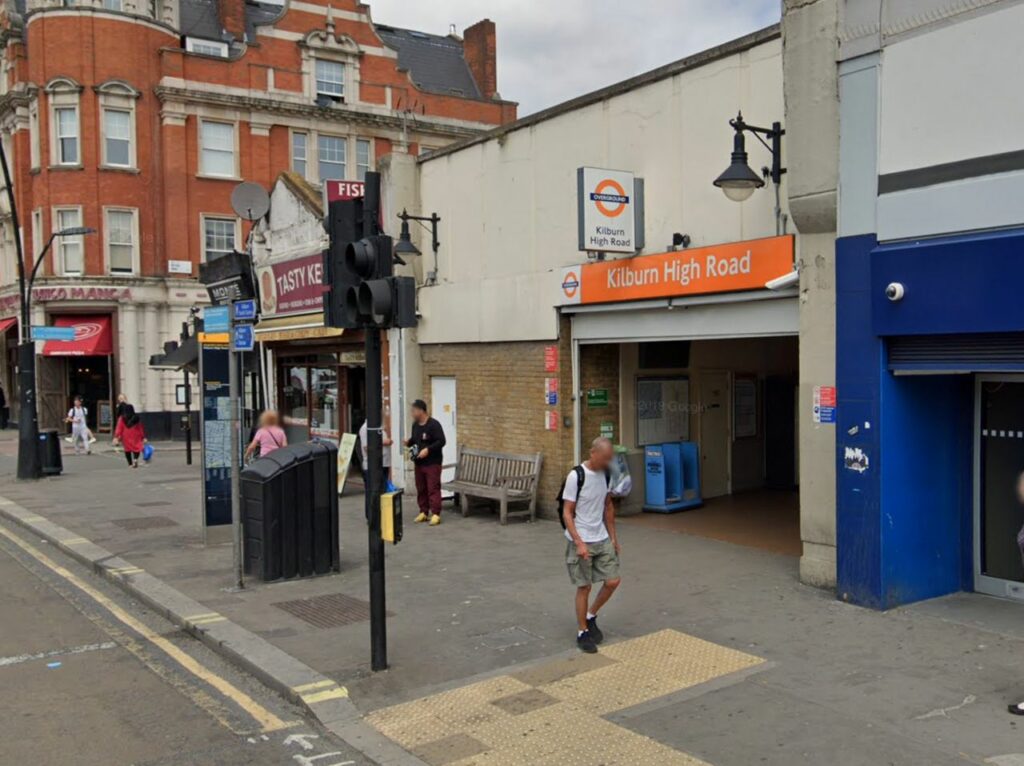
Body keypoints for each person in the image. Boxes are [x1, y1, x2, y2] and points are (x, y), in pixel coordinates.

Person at [561, 437, 621, 654]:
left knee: (613, 581)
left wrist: (613, 537)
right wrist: (578, 542)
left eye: (609, 459)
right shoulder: (576, 476)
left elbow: (608, 507)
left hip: (601, 536)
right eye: (605, 458)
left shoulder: (606, 474)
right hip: (582, 537)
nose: (607, 462)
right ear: (593, 453)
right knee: (584, 586)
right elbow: (567, 512)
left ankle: (591, 614)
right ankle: (582, 631)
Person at [403, 399, 446, 526]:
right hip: (419, 462)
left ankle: (436, 513)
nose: (412, 413)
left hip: (433, 462)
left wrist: (428, 449)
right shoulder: (415, 425)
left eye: (414, 411)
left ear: (421, 411)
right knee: (421, 488)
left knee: (433, 488)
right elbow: (416, 440)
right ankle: (423, 511)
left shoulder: (434, 425)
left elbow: (441, 441)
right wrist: (409, 442)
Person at [113, 402, 146, 468]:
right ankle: (135, 459)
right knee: (136, 448)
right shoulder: (136, 417)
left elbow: (119, 428)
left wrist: (116, 436)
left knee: (127, 449)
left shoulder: (122, 418)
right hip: (136, 435)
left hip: (126, 435)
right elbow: (140, 428)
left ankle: (130, 464)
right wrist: (143, 437)